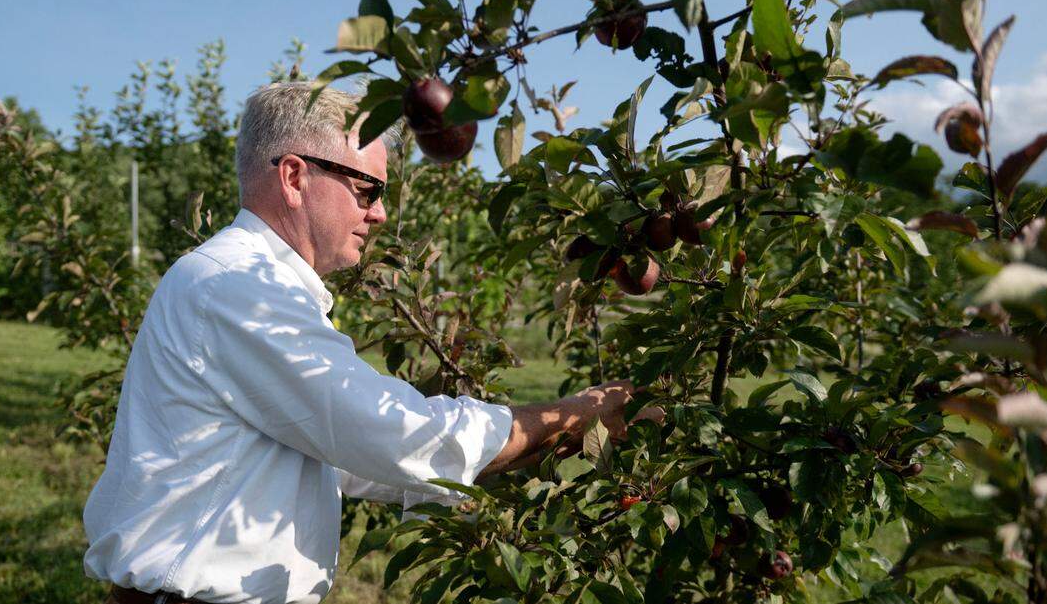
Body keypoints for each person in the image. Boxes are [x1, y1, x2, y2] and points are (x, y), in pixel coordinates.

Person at [83, 82, 660, 604]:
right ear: (293, 177)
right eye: (367, 188)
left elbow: (341, 458)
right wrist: (567, 415)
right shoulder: (238, 287)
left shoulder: (246, 286)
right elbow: (386, 434)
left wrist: (520, 454)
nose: (380, 213)